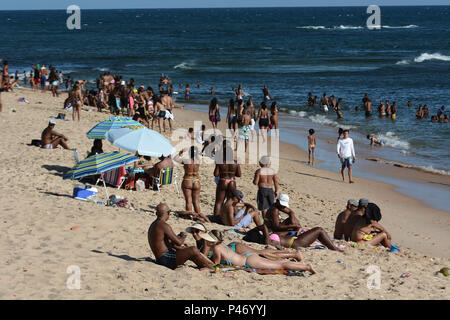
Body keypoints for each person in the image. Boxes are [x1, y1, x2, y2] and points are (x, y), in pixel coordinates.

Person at [203, 230, 317, 274]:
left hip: (249, 261)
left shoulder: (217, 249)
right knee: (278, 263)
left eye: (207, 240)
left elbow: (216, 267)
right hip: (246, 257)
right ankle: (301, 264)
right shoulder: (220, 245)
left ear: (212, 241)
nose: (206, 241)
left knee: (281, 265)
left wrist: (207, 269)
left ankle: (306, 267)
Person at [147, 203, 214, 270]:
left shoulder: (153, 225)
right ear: (168, 212)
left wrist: (179, 238)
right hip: (165, 259)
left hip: (160, 258)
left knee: (190, 251)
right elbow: (179, 242)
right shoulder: (163, 225)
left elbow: (168, 241)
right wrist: (183, 236)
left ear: (156, 213)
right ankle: (212, 267)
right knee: (193, 250)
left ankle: (207, 266)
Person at [173, 146, 210, 223]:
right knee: (196, 201)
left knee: (188, 201)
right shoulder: (198, 160)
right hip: (196, 181)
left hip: (187, 180)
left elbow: (175, 158)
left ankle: (191, 216)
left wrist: (181, 152)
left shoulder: (186, 160)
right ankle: (199, 215)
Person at [213, 145, 241, 216]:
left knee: (219, 202)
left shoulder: (220, 162)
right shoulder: (235, 163)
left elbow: (216, 174)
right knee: (231, 201)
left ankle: (216, 217)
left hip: (223, 180)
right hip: (232, 182)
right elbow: (239, 174)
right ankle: (233, 216)